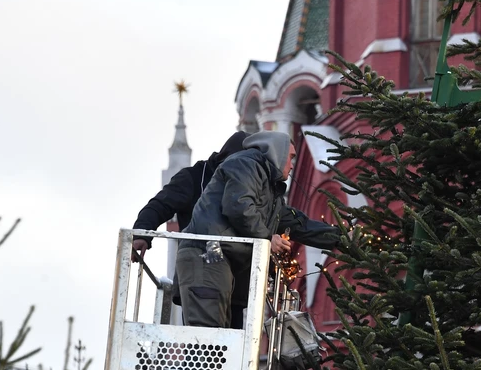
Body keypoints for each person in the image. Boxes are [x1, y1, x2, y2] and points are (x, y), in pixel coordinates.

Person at [175, 131, 341, 329]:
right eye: (291, 157)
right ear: (277, 152)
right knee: (208, 335)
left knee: (220, 335)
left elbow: (299, 224)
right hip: (206, 255)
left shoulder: (270, 191)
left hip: (218, 259)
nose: (293, 164)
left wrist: (342, 239)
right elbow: (238, 205)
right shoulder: (246, 164)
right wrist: (267, 238)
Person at [132, 131, 250, 261]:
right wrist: (141, 234)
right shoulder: (194, 177)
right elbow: (160, 205)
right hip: (198, 263)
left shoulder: (253, 184)